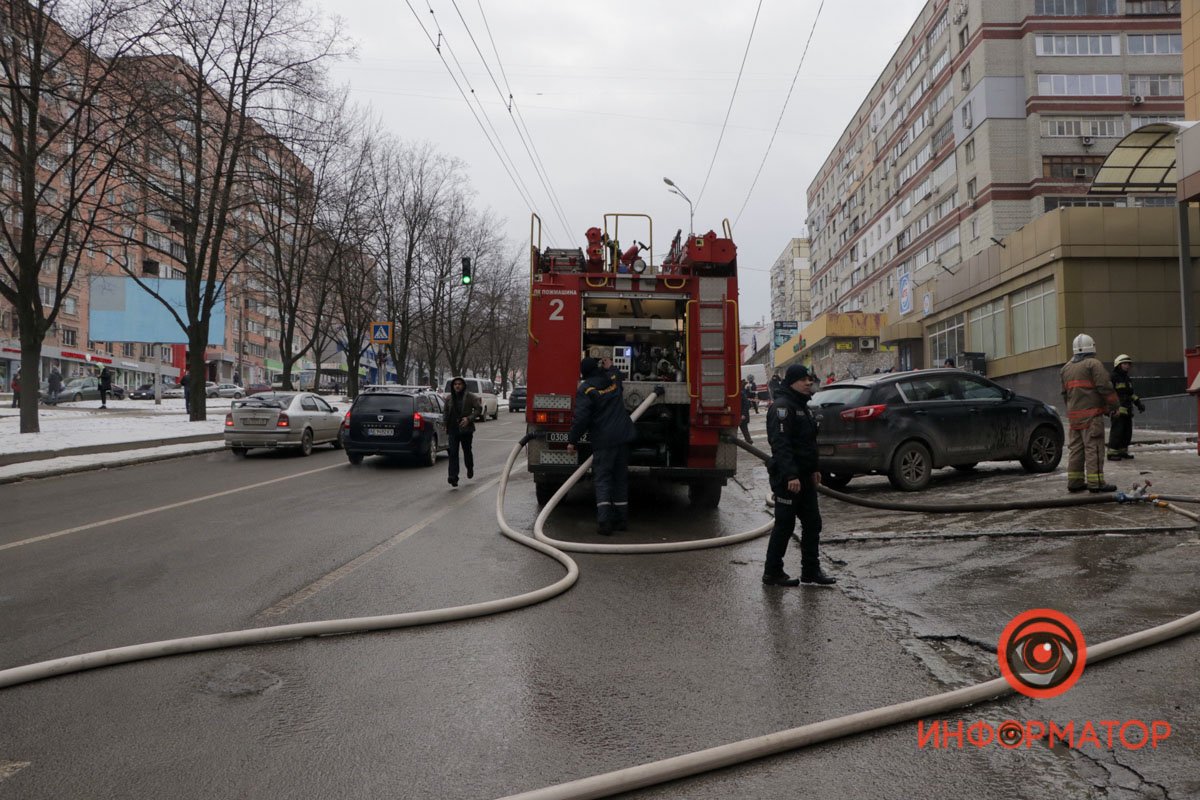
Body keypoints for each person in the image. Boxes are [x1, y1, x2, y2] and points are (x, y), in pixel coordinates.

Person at [763, 363, 836, 587]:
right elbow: (781, 445)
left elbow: (807, 444)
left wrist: (814, 469)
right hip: (789, 480)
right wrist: (791, 475)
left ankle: (811, 572)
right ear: (792, 381)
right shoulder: (783, 408)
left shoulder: (802, 406)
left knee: (813, 523)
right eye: (804, 379)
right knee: (784, 525)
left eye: (810, 379)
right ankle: (772, 572)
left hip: (805, 478)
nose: (808, 383)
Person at [566, 356, 637, 536]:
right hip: (622, 437)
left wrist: (572, 441)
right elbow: (618, 376)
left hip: (604, 440)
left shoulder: (586, 389)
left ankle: (605, 522)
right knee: (620, 479)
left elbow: (581, 418)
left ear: (584, 373)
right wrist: (610, 367)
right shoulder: (612, 383)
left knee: (603, 479)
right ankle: (621, 520)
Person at [1060, 333, 1119, 493]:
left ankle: (1075, 482)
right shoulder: (1093, 364)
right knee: (1094, 449)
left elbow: (1065, 395)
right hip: (1092, 417)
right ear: (1092, 347)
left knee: (1076, 450)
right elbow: (1104, 388)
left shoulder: (1066, 368)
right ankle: (1096, 483)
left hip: (1074, 419)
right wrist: (1114, 407)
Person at [1107, 354, 1145, 461]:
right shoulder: (1113, 377)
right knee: (1117, 432)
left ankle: (1123, 451)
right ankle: (1112, 453)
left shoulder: (1127, 379)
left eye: (1128, 364)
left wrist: (1139, 404)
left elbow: (1131, 394)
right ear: (1118, 365)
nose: (1127, 366)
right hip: (1118, 410)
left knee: (1127, 433)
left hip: (1127, 410)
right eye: (1124, 364)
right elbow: (1109, 393)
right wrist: (1112, 408)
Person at [444, 376, 480, 487]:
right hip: (453, 429)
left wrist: (469, 419)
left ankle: (470, 468)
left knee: (467, 451)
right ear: (453, 386)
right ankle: (453, 477)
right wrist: (445, 425)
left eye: (459, 384)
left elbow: (479, 409)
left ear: (463, 385)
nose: (457, 386)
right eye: (455, 384)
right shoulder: (449, 398)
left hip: (466, 430)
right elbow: (446, 412)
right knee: (453, 453)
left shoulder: (470, 397)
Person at [739, 379, 754, 444]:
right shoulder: (741, 392)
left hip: (742, 414)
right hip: (741, 414)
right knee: (744, 429)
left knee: (744, 429)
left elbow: (746, 404)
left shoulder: (741, 393)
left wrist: (743, 414)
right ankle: (748, 441)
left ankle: (749, 441)